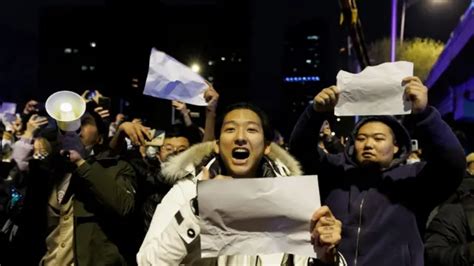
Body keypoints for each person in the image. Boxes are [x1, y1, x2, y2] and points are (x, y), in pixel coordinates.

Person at [137, 102, 345, 265]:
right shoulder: (187, 193)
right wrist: (196, 210)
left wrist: (327, 256)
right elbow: (149, 262)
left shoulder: (291, 199)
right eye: (230, 129)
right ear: (217, 146)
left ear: (266, 147)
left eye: (251, 130)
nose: (240, 137)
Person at [289, 76, 465, 266]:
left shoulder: (415, 179)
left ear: (396, 146)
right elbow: (300, 152)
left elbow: (452, 161)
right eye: (361, 138)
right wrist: (314, 113)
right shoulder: (335, 172)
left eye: (378, 138)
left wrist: (424, 115)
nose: (368, 144)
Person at [17, 106, 137, 265]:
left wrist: (81, 163)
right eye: (73, 122)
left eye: (85, 122)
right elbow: (18, 168)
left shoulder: (116, 168)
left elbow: (124, 206)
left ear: (100, 138)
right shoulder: (49, 170)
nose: (77, 127)